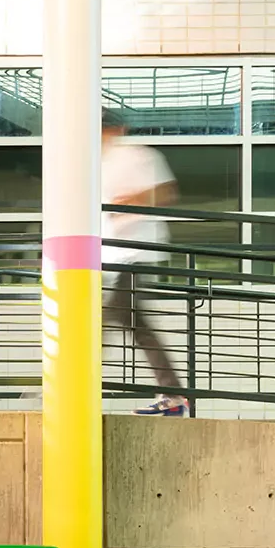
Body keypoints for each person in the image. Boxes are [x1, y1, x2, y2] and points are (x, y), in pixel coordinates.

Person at [101, 111, 188, 416]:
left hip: (136, 253)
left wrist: (129, 201)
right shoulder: (94, 163)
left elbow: (166, 191)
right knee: (129, 321)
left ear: (117, 129)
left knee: (114, 318)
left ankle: (174, 395)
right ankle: (173, 395)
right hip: (109, 257)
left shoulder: (137, 156)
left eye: (104, 129)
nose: (101, 136)